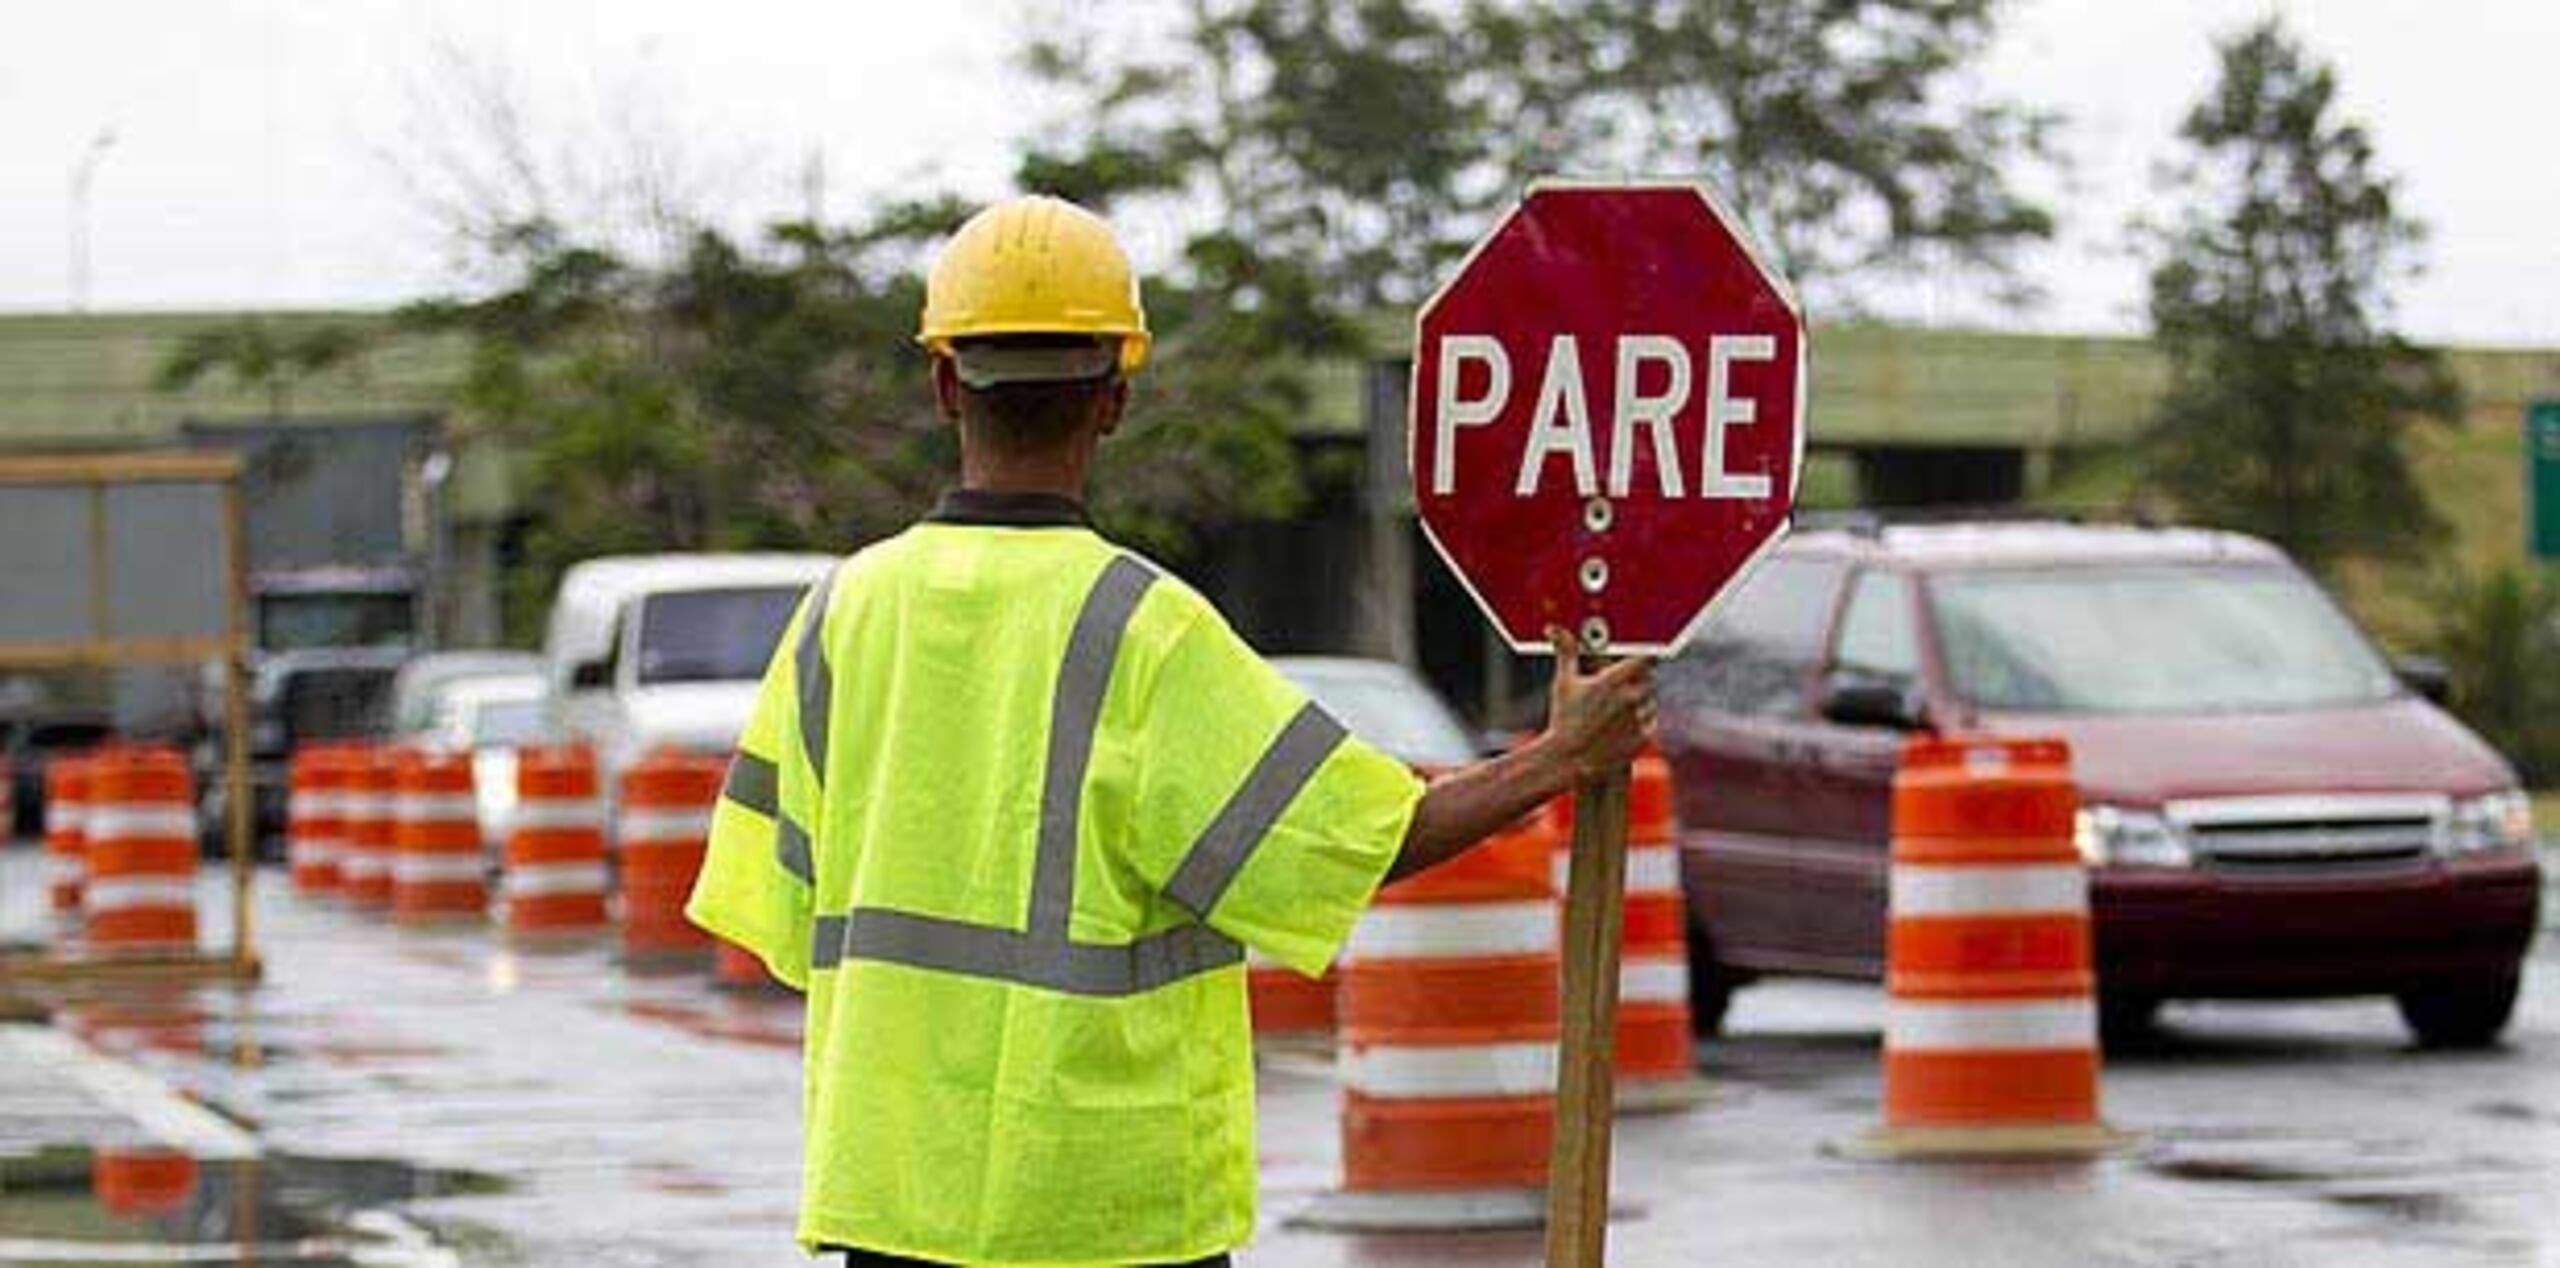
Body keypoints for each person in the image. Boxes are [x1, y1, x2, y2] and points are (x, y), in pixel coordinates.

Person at [686, 194, 1653, 1268]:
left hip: (891, 1197)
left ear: (945, 381)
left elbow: (775, 916)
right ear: (1114, 398)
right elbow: (1360, 837)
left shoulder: (841, 612)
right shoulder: (1146, 630)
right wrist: (1558, 759)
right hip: (1108, 1208)